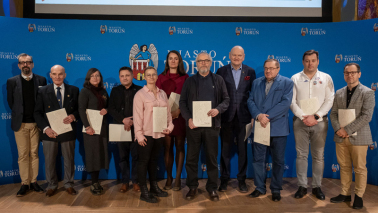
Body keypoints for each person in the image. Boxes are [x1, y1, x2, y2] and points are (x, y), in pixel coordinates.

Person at [180, 52, 230, 201]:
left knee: (212, 158)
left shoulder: (219, 80)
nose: (203, 63)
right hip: (193, 126)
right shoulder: (189, 81)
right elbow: (182, 103)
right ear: (196, 63)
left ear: (210, 63)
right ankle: (193, 187)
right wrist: (188, 118)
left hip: (212, 126)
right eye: (200, 61)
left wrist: (218, 109)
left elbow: (226, 100)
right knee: (191, 158)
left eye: (206, 60)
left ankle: (212, 188)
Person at [290, 50, 335, 200]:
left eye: (313, 60)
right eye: (307, 60)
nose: (310, 63)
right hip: (300, 121)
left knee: (318, 156)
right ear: (303, 62)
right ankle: (302, 186)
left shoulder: (326, 78)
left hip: (320, 122)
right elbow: (291, 101)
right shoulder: (295, 78)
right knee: (301, 155)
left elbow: (330, 99)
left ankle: (317, 187)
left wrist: (316, 116)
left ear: (318, 61)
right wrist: (303, 116)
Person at [330, 63, 375, 209]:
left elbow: (366, 116)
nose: (350, 75)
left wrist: (347, 130)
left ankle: (359, 196)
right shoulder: (339, 92)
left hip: (359, 137)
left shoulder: (368, 92)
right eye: (347, 73)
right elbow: (334, 114)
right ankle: (345, 193)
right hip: (341, 137)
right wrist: (338, 129)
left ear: (359, 74)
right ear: (344, 75)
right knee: (343, 166)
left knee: (360, 168)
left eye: (353, 72)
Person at [247, 59, 293, 202]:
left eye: (271, 68)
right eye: (266, 68)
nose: (268, 71)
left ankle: (276, 189)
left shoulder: (287, 82)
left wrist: (267, 117)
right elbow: (250, 101)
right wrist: (258, 115)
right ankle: (259, 187)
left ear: (278, 69)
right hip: (260, 126)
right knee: (258, 160)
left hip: (278, 128)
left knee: (278, 161)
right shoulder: (256, 82)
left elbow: (285, 103)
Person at [34, 65, 79, 197]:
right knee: (49, 160)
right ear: (50, 75)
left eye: (60, 74)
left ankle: (69, 184)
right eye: (54, 74)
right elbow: (37, 113)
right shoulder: (42, 91)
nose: (57, 76)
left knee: (69, 159)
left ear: (65, 75)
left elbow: (79, 109)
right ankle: (52, 185)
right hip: (49, 132)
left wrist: (73, 116)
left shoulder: (74, 90)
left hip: (68, 130)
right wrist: (46, 129)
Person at [216, 46, 256, 192]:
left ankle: (242, 180)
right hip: (226, 117)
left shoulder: (250, 72)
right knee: (225, 151)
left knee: (243, 150)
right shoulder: (221, 71)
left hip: (244, 118)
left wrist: (253, 116)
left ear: (243, 56)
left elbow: (253, 96)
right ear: (229, 55)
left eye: (239, 55)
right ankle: (224, 179)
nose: (237, 58)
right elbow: (218, 96)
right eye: (234, 55)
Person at [6, 53, 46, 196]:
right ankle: (24, 183)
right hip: (20, 124)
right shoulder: (11, 82)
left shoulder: (41, 80)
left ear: (32, 64)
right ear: (18, 65)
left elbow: (43, 103)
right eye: (22, 62)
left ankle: (34, 182)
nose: (25, 65)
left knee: (34, 154)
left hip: (36, 124)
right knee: (23, 154)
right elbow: (11, 103)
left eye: (28, 62)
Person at [133, 66, 174, 203]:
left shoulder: (162, 94)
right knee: (143, 162)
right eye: (148, 75)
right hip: (146, 134)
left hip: (160, 134)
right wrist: (139, 135)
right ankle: (144, 191)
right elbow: (137, 116)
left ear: (157, 77)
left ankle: (154, 187)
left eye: (153, 74)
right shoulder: (140, 94)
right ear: (144, 77)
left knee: (154, 161)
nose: (151, 77)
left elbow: (168, 114)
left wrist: (170, 127)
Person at [156, 50, 189, 191]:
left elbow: (188, 97)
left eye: (176, 58)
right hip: (164, 116)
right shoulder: (161, 77)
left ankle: (177, 179)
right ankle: (169, 178)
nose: (173, 61)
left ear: (179, 61)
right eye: (171, 58)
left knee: (180, 147)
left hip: (180, 117)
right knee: (168, 148)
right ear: (167, 61)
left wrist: (179, 111)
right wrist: (168, 113)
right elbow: (156, 97)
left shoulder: (186, 77)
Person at [108, 66, 142, 193]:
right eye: (122, 76)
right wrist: (123, 120)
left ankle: (136, 181)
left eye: (127, 75)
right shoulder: (115, 90)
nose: (124, 78)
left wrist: (133, 121)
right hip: (120, 127)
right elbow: (111, 108)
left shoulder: (140, 90)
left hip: (136, 128)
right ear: (119, 77)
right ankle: (125, 181)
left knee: (136, 156)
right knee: (122, 157)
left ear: (132, 76)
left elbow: (143, 110)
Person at [78, 68, 109, 195]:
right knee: (92, 154)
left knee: (101, 153)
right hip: (90, 129)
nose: (95, 78)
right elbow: (81, 109)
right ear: (88, 78)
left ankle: (97, 181)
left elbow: (108, 106)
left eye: (97, 76)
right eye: (92, 76)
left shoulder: (103, 91)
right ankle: (93, 182)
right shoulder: (85, 91)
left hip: (102, 127)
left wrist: (106, 110)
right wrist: (87, 126)